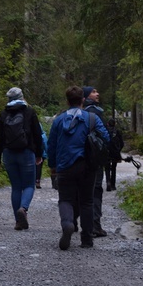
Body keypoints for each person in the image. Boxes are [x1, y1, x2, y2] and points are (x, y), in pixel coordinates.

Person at [48, 85, 110, 250]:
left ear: (67, 101)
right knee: (87, 201)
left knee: (66, 199)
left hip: (64, 166)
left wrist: (52, 166)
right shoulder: (91, 118)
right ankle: (87, 239)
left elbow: (51, 145)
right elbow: (105, 138)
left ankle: (68, 223)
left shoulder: (59, 120)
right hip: (87, 166)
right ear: (83, 100)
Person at [0, 87, 44, 230]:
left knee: (16, 187)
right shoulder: (29, 112)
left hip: (8, 153)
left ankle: (18, 221)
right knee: (28, 185)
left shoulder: (4, 114)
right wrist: (39, 154)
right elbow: (37, 134)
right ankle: (24, 209)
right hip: (26, 152)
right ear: (22, 97)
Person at [83, 86, 108, 237]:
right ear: (86, 95)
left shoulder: (77, 112)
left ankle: (73, 222)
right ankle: (95, 225)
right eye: (93, 92)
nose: (97, 93)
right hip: (94, 158)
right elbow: (105, 137)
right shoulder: (96, 113)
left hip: (79, 158)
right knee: (96, 190)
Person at [105, 118, 124, 191]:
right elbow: (122, 143)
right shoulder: (117, 132)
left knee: (107, 167)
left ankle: (108, 182)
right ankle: (113, 185)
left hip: (106, 151)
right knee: (113, 168)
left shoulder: (105, 131)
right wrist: (118, 150)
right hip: (115, 152)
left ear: (108, 124)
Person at [36, 124, 48, 188]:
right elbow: (46, 145)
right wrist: (47, 153)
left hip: (32, 154)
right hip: (41, 154)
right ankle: (37, 181)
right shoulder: (43, 136)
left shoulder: (31, 136)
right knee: (39, 168)